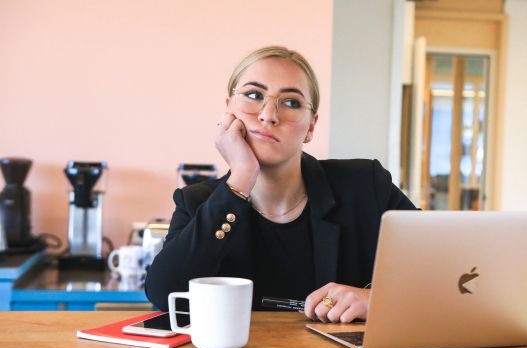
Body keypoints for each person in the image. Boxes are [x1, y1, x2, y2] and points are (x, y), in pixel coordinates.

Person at [145, 46, 417, 324]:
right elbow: (164, 293)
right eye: (254, 95)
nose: (268, 115)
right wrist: (241, 178)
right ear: (229, 111)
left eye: (291, 102)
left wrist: (377, 300)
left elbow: (446, 271)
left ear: (311, 126)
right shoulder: (197, 201)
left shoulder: (365, 185)